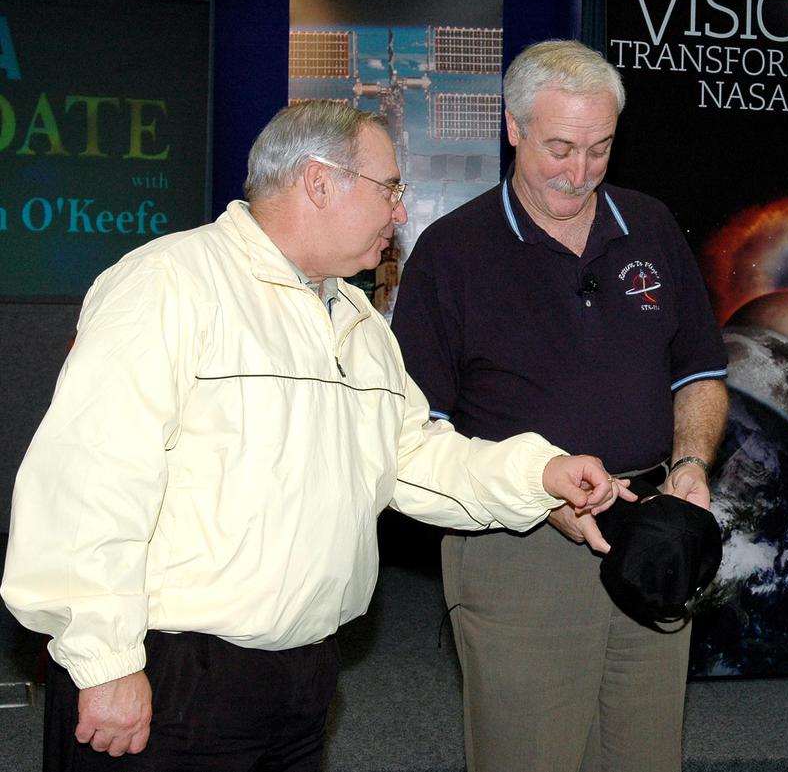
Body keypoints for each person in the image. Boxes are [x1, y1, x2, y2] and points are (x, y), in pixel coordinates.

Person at [1, 99, 630, 771]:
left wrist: (537, 474)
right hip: (169, 676)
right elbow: (89, 480)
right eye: (390, 188)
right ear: (319, 182)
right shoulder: (168, 285)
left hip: (301, 680)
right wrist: (104, 661)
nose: (399, 212)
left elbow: (410, 455)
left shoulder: (354, 317)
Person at [391, 39, 729, 772]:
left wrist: (695, 463)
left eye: (600, 148)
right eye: (560, 148)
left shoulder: (651, 224)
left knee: (646, 754)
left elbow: (699, 371)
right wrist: (540, 497)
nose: (580, 173)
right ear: (513, 128)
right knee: (529, 754)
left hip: (650, 525)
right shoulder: (451, 253)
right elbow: (418, 432)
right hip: (518, 544)